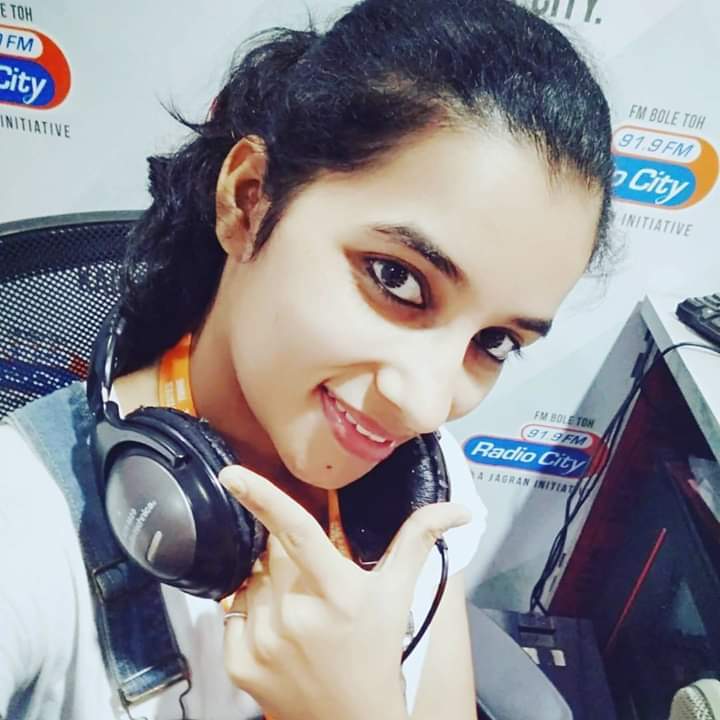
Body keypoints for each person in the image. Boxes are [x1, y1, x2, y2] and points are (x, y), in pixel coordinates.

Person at [0, 0, 615, 718]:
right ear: (249, 202)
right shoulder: (27, 529)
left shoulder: (422, 488)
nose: (425, 406)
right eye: (397, 279)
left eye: (494, 342)